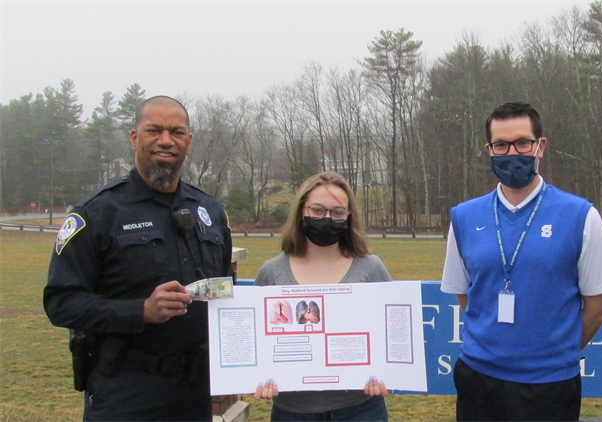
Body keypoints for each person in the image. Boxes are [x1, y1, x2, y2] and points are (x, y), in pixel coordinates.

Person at [44, 96, 234, 421]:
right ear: (134, 138)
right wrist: (141, 311)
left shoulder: (209, 211)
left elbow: (224, 291)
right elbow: (62, 302)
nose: (166, 140)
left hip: (194, 392)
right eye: (154, 130)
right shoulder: (98, 213)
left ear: (189, 142)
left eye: (177, 132)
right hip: (126, 390)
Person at [441, 102, 602, 422]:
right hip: (479, 379)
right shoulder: (464, 217)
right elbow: (464, 294)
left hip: (550, 384)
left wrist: (557, 353)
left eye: (523, 142)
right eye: (501, 145)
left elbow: (598, 306)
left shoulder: (581, 215)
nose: (512, 153)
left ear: (541, 146)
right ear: (489, 150)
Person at [252, 171, 391, 422]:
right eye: (317, 210)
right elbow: (257, 343)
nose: (327, 218)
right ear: (301, 211)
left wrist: (386, 373)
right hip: (292, 412)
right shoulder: (271, 272)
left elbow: (391, 334)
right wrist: (260, 377)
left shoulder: (371, 268)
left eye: (337, 212)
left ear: (348, 216)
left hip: (361, 409)